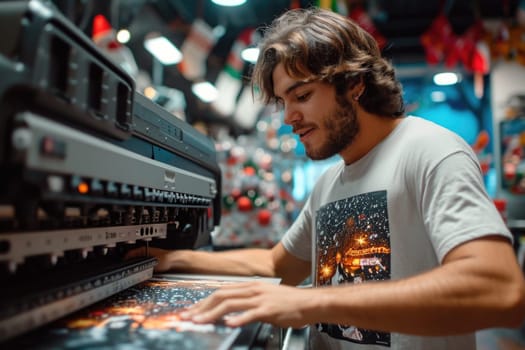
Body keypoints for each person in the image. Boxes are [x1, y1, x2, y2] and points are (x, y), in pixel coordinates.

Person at [128, 7, 525, 349]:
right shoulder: (330, 181)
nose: (288, 118)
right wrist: (174, 259)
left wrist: (309, 302)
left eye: (301, 96)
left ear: (354, 84)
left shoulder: (430, 151)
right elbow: (276, 263)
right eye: (283, 102)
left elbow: (499, 290)